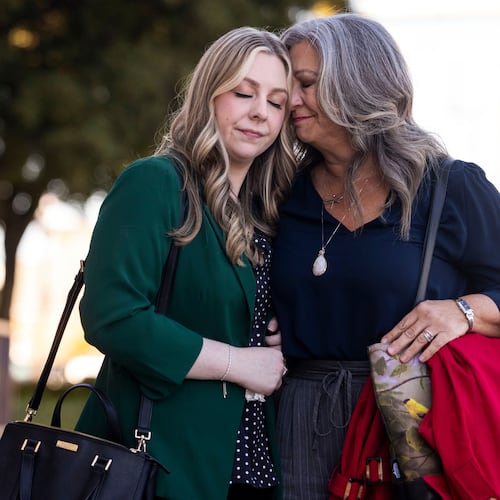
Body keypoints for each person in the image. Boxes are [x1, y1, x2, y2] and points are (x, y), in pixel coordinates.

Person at [270, 13, 500, 499]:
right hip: (294, 422)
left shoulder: (448, 186)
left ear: (357, 84)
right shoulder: (277, 193)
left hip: (409, 419)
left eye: (306, 84)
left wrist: (464, 311)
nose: (289, 100)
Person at [76, 26, 297, 500]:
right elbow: (112, 317)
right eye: (244, 92)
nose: (260, 111)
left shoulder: (267, 215)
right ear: (209, 94)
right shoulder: (156, 183)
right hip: (158, 465)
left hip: (253, 470)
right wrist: (240, 362)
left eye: (277, 102)